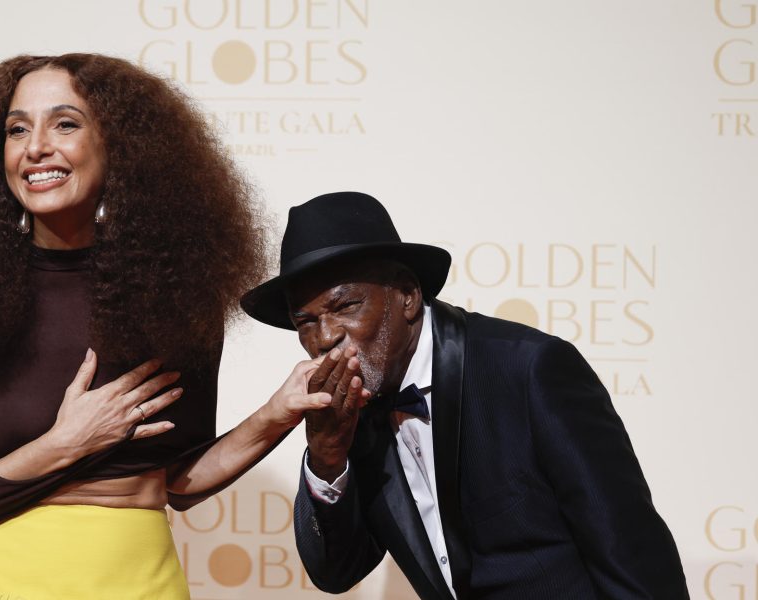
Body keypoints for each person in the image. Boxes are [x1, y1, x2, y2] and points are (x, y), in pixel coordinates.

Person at [0, 54, 332, 600]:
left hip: (143, 583)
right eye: (17, 129)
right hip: (4, 584)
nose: (36, 146)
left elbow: (176, 481)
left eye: (65, 123)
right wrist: (66, 443)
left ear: (119, 144)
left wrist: (276, 414)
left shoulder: (178, 290)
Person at [240, 191, 690, 599]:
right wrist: (327, 457)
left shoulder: (529, 370)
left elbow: (630, 554)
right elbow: (336, 574)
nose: (325, 337)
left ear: (408, 295)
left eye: (345, 306)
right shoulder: (349, 413)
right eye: (305, 322)